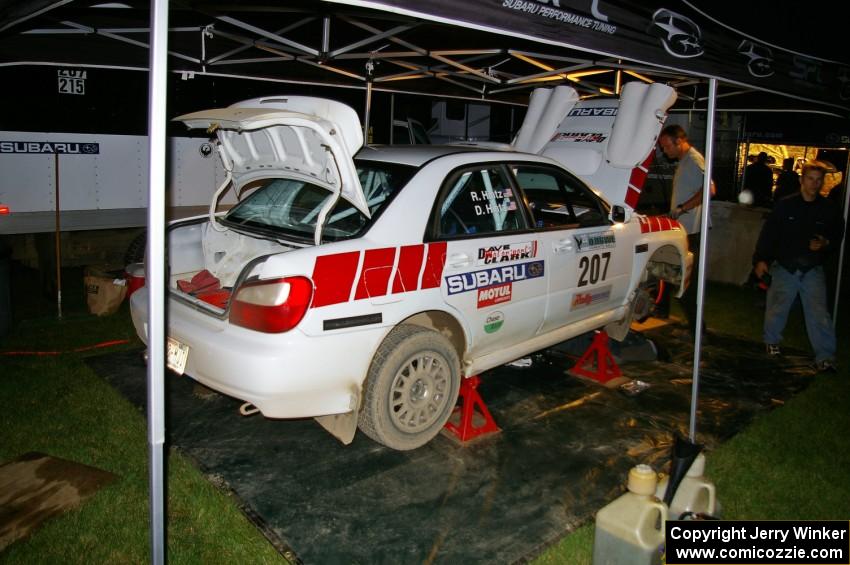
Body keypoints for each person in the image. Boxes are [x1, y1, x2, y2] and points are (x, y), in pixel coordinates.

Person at [752, 160, 844, 372]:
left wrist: (825, 243)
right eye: (810, 179)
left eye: (818, 180)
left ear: (822, 183)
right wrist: (761, 259)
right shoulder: (785, 205)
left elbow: (837, 233)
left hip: (812, 268)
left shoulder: (828, 209)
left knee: (819, 313)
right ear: (802, 180)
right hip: (786, 266)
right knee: (777, 306)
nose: (814, 183)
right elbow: (769, 235)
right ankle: (771, 342)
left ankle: (825, 356)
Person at [658, 124, 716, 335]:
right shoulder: (684, 161)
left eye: (666, 146)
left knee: (687, 282)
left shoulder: (693, 159)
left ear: (679, 141)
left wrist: (684, 208)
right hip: (684, 230)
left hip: (693, 232)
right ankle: (665, 312)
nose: (664, 151)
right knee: (672, 273)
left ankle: (698, 330)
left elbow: (710, 189)